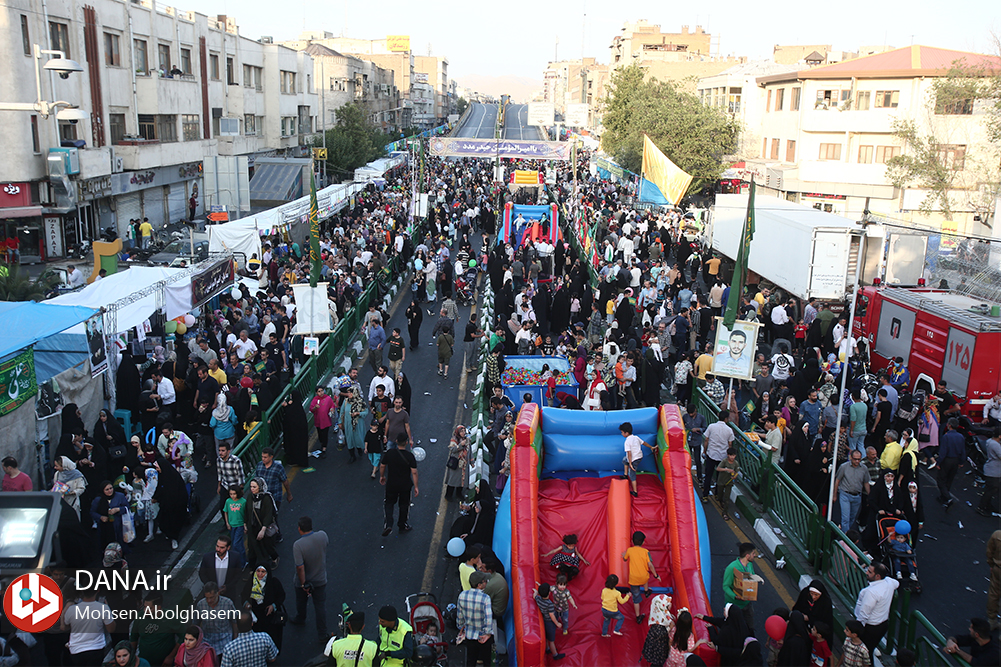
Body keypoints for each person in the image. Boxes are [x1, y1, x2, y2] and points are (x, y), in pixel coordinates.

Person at [290, 515, 329, 642]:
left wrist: (303, 584)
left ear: (299, 528)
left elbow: (300, 567)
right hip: (320, 579)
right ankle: (322, 634)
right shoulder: (322, 535)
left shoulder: (298, 545)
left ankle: (301, 618)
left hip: (305, 580)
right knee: (320, 606)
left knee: (301, 601)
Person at [854, 563, 899, 660]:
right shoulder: (888, 583)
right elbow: (896, 583)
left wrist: (856, 629)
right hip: (882, 625)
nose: (866, 572)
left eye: (870, 572)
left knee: (864, 655)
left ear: (877, 576)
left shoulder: (871, 592)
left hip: (870, 628)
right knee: (868, 652)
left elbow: (864, 614)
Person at [61, 585, 115, 666]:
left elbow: (65, 626)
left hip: (76, 650)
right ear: (98, 590)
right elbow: (111, 629)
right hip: (96, 648)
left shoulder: (71, 609)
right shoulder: (103, 608)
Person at [380, 433, 418, 537]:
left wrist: (382, 476)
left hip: (392, 484)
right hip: (405, 485)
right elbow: (414, 472)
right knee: (404, 505)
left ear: (396, 441)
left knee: (389, 503)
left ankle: (388, 523)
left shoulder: (390, 453)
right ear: (406, 443)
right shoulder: (409, 456)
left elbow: (383, 465)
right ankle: (402, 525)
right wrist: (416, 486)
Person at [130, 593, 182, 667]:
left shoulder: (171, 617)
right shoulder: (140, 617)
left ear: (158, 607)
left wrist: (171, 656)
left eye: (149, 608)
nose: (145, 610)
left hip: (164, 663)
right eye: (144, 607)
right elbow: (134, 638)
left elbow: (183, 637)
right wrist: (131, 658)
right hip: (144, 662)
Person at [243, 564, 286, 651]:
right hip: (256, 618)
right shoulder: (251, 582)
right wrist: (246, 603)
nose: (260, 574)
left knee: (272, 638)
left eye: (263, 572)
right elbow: (243, 595)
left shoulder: (274, 583)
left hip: (270, 618)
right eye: (258, 571)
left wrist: (273, 606)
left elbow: (281, 596)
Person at [623, 530, 661, 623]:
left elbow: (625, 559)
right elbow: (650, 565)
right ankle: (647, 591)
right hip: (643, 577)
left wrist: (624, 556)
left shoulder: (629, 550)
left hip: (633, 579)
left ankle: (638, 617)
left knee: (636, 599)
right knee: (645, 576)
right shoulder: (646, 551)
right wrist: (656, 575)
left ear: (632, 541)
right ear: (643, 542)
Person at [722, 542, 758, 636]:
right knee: (734, 629)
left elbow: (752, 576)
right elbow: (726, 586)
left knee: (750, 627)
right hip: (735, 606)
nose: (755, 555)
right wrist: (735, 596)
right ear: (747, 555)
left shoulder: (749, 565)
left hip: (747, 602)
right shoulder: (731, 568)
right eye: (753, 553)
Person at [194, 583, 237, 656]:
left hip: (225, 641)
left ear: (218, 593)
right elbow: (196, 623)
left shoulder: (228, 603)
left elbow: (234, 622)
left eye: (212, 597)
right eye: (207, 598)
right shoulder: (201, 605)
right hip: (207, 642)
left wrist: (235, 640)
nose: (209, 600)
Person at [198, 533, 245, 601]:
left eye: (222, 547)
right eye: (217, 546)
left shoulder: (235, 557)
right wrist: (211, 587)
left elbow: (238, 574)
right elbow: (202, 573)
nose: (218, 549)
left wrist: (228, 587)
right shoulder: (207, 557)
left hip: (228, 594)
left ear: (228, 548)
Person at [834, 451, 870, 532]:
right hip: (845, 494)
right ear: (851, 458)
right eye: (855, 459)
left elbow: (866, 483)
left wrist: (869, 495)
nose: (857, 461)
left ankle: (847, 533)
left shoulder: (864, 468)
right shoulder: (844, 467)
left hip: (857, 496)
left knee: (852, 518)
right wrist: (834, 495)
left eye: (859, 459)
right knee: (845, 518)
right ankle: (845, 539)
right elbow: (837, 481)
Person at [246, 478, 278, 568]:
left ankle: (274, 558)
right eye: (251, 486)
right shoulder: (250, 497)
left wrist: (263, 529)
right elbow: (247, 511)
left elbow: (268, 515)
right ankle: (252, 568)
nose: (252, 489)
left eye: (254, 487)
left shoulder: (266, 498)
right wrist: (245, 524)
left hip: (263, 527)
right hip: (252, 527)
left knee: (267, 545)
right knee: (252, 547)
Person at [703, 410, 734, 501]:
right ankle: (717, 494)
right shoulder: (729, 430)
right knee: (719, 477)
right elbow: (730, 444)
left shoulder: (711, 426)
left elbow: (706, 440)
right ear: (726, 419)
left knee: (708, 476)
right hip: (722, 456)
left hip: (711, 454)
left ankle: (705, 495)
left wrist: (704, 451)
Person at [621, 421, 656, 498]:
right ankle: (625, 475)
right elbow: (644, 443)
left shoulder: (627, 441)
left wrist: (630, 463)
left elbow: (629, 453)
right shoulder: (636, 437)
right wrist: (651, 447)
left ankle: (635, 491)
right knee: (624, 460)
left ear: (626, 433)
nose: (621, 434)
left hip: (633, 459)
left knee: (632, 474)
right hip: (639, 457)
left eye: (622, 432)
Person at [90, 480, 129, 547]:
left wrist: (118, 509)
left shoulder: (120, 496)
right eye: (107, 489)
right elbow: (92, 512)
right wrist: (100, 517)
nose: (110, 491)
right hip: (104, 527)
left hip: (118, 525)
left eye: (111, 488)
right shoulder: (98, 499)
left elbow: (127, 508)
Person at [532, 582, 565, 661]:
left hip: (544, 620)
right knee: (551, 640)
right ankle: (555, 655)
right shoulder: (549, 604)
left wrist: (536, 592)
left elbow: (534, 596)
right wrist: (557, 623)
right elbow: (552, 615)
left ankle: (547, 649)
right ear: (549, 593)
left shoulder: (539, 599)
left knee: (546, 636)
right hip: (550, 622)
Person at [216, 442, 245, 516]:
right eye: (219, 450)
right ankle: (226, 524)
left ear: (228, 451)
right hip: (225, 485)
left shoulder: (236, 460)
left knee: (235, 508)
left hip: (235, 487)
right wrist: (219, 486)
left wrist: (241, 488)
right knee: (222, 506)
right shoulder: (218, 460)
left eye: (223, 451)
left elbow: (240, 475)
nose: (220, 453)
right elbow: (219, 473)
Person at [978, 428, 1001, 517]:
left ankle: (987, 505)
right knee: (991, 490)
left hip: (993, 470)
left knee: (992, 489)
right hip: (993, 471)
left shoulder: (991, 442)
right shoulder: (995, 445)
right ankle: (981, 506)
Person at [683, 404, 707, 485]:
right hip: (688, 441)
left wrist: (698, 429)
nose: (690, 415)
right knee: (686, 458)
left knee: (697, 460)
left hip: (697, 441)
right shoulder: (685, 417)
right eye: (689, 413)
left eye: (692, 413)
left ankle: (699, 476)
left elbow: (704, 428)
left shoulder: (701, 418)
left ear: (695, 411)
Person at [309, 386, 336, 458]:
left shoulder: (327, 398)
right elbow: (311, 409)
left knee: (325, 434)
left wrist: (332, 409)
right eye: (319, 391)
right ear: (316, 393)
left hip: (326, 420)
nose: (321, 393)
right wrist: (315, 407)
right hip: (318, 420)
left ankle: (324, 448)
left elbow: (332, 405)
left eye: (322, 391)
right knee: (320, 433)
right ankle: (322, 443)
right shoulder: (315, 400)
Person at [445, 425, 469, 500]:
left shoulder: (466, 439)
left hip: (463, 463)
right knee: (452, 480)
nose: (463, 433)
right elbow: (452, 449)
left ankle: (459, 493)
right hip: (456, 462)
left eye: (464, 431)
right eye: (461, 431)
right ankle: (448, 495)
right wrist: (460, 445)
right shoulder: (454, 439)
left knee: (461, 480)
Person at [715, 448, 739, 521]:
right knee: (720, 495)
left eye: (733, 455)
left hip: (729, 482)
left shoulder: (736, 463)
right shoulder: (724, 461)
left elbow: (737, 472)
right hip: (721, 481)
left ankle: (725, 512)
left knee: (727, 498)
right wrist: (727, 469)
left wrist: (734, 475)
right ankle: (720, 501)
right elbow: (718, 468)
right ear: (728, 455)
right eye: (731, 455)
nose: (732, 457)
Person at [988, 530, 1001, 631]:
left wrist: (991, 564)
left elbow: (989, 551)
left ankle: (992, 621)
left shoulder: (997, 535)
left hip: (998, 569)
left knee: (994, 594)